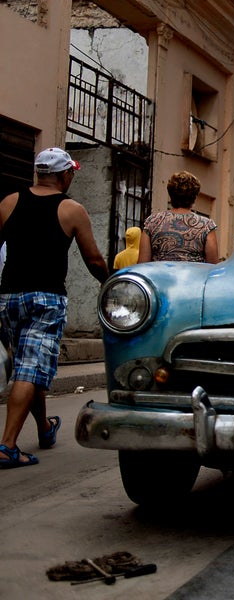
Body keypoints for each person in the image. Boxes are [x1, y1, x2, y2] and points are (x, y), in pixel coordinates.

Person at [0, 147, 109, 468]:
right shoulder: (71, 209)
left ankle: (45, 428)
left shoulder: (8, 202)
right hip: (46, 299)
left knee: (28, 366)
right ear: (64, 175)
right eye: (71, 173)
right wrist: (110, 281)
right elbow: (93, 258)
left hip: (9, 298)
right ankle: (7, 446)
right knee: (30, 369)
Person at [139, 171, 219, 264]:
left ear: (171, 194)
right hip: (193, 278)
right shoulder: (206, 226)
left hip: (159, 277)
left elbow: (142, 264)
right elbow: (212, 266)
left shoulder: (152, 222)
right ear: (195, 196)